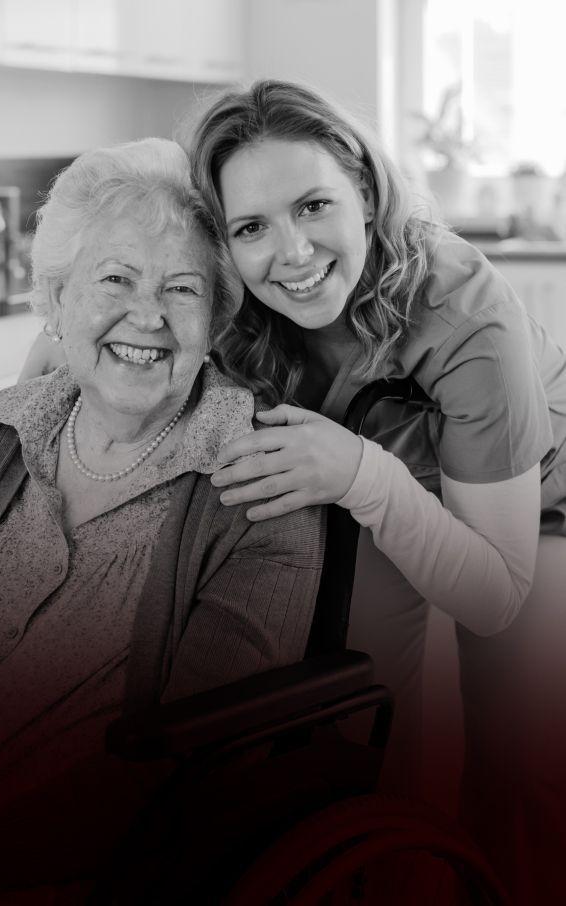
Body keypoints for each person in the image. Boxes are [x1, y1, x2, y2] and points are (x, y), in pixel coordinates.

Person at [0, 137, 326, 904]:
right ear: (56, 301)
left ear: (217, 320)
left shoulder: (257, 484)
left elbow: (187, 769)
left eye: (182, 288)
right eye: (115, 278)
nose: (147, 315)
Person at [185, 79, 566, 905]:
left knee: (515, 754)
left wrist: (364, 476)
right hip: (366, 466)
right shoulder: (232, 302)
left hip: (537, 499)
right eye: (252, 226)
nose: (291, 252)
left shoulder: (468, 321)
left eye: (313, 205)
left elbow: (495, 596)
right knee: (365, 707)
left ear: (362, 189)